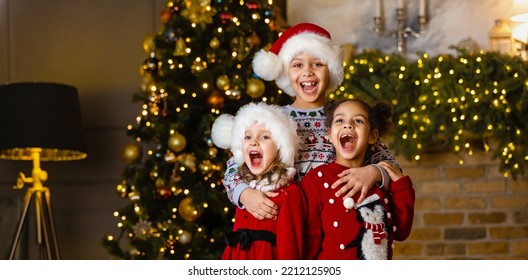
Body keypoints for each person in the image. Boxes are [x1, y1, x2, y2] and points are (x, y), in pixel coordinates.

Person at [223, 22, 399, 220]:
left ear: (330, 70)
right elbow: (234, 167)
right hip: (286, 222)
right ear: (286, 73)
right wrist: (244, 194)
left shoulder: (345, 116)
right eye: (297, 65)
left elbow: (392, 167)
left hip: (336, 222)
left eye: (317, 64)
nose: (307, 72)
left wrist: (373, 172)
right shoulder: (271, 119)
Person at [301, 98, 415, 260]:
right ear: (330, 135)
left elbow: (401, 231)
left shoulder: (379, 178)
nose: (348, 125)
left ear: (372, 136)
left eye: (358, 120)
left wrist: (401, 187)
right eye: (340, 120)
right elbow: (309, 243)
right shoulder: (317, 179)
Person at [211, 102, 306, 259]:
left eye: (265, 137)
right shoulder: (246, 190)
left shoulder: (290, 194)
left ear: (280, 149)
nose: (253, 142)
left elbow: (290, 249)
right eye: (248, 137)